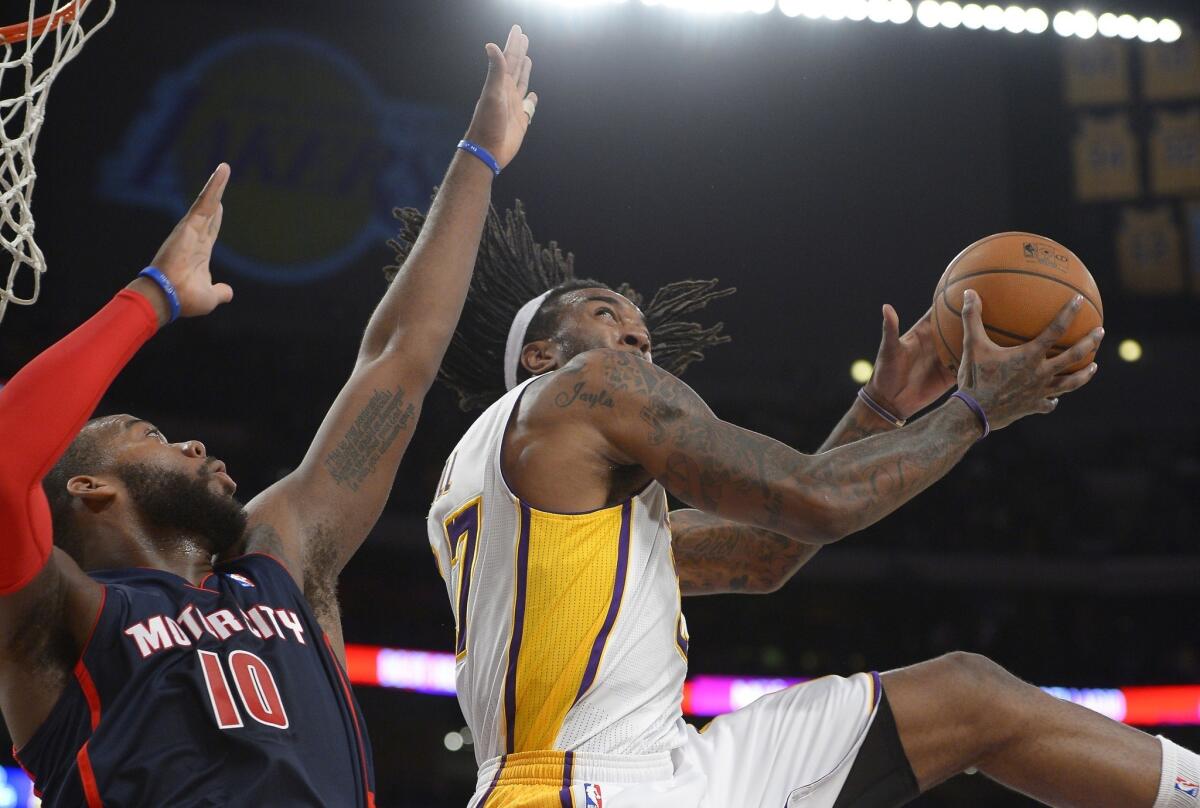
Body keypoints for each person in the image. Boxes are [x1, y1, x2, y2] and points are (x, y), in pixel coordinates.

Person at [405, 202, 1200, 807]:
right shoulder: (587, 385)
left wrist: (881, 411)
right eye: (606, 312)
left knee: (969, 696)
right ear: (539, 355)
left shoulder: (532, 501)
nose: (638, 338)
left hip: (646, 770)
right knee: (968, 694)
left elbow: (764, 554)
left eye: (642, 328)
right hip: (595, 785)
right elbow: (813, 501)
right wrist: (975, 409)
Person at [0, 26, 537, 807]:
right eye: (149, 438)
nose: (192, 443)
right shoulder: (54, 612)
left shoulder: (281, 562)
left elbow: (398, 360)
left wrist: (478, 157)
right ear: (86, 486)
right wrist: (151, 297)